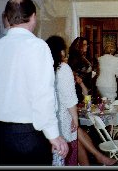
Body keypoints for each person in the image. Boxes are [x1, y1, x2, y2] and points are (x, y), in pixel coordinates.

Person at [0, 0, 68, 165]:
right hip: (26, 136)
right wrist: (53, 134)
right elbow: (43, 95)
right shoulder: (38, 46)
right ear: (34, 17)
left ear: (8, 17)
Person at [46, 35, 79, 166]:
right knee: (67, 153)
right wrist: (75, 118)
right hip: (63, 117)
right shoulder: (63, 68)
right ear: (61, 51)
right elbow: (69, 97)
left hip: (48, 119)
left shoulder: (45, 66)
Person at [68, 37, 96, 104]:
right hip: (80, 89)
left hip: (86, 86)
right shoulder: (75, 58)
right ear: (78, 46)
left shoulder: (83, 57)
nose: (87, 46)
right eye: (84, 44)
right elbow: (73, 73)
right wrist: (82, 84)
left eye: (87, 44)